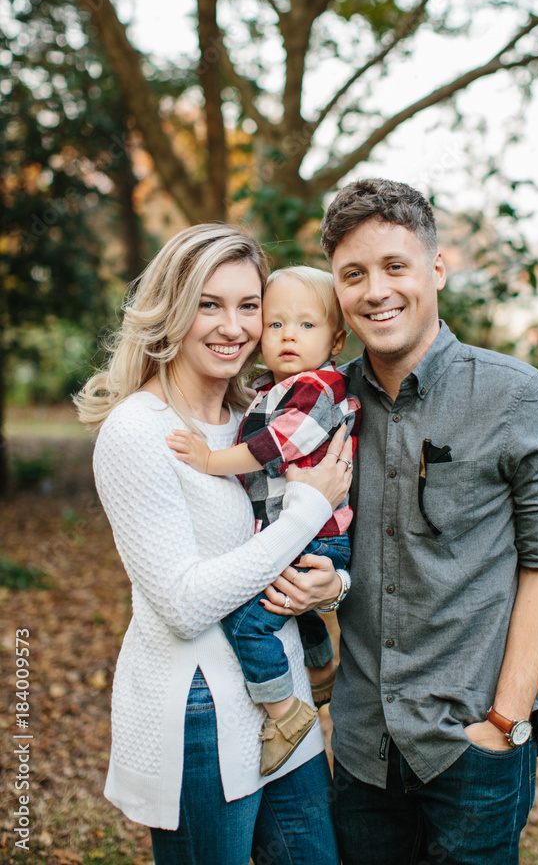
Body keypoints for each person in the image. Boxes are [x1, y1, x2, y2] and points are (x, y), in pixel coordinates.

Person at [315, 178, 538, 865]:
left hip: (472, 744)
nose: (376, 290)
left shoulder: (519, 399)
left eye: (395, 266)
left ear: (436, 268)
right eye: (353, 274)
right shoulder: (323, 409)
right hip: (363, 745)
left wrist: (505, 719)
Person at [75, 224, 351, 865]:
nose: (233, 326)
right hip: (198, 710)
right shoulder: (138, 431)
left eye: (249, 305)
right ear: (172, 310)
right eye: (209, 304)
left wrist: (333, 585)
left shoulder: (258, 417)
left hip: (287, 703)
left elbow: (330, 535)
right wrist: (307, 510)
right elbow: (184, 603)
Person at [166, 266, 361, 776]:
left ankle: (285, 713)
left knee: (248, 623)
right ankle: (320, 671)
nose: (288, 335)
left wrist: (210, 460)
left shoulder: (318, 390)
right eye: (275, 325)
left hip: (316, 535)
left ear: (336, 340)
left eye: (306, 325)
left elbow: (275, 445)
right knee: (292, 607)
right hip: (300, 532)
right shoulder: (271, 389)